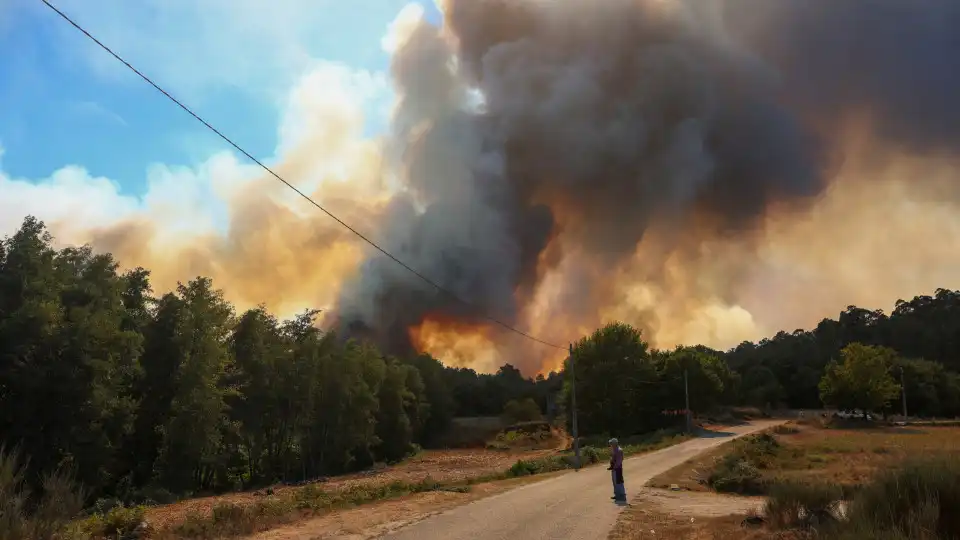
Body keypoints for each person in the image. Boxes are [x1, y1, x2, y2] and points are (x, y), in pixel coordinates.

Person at [608, 437, 626, 502]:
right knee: (615, 482)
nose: (610, 445)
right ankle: (617, 495)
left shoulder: (619, 450)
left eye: (611, 443)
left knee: (619, 482)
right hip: (614, 468)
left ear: (614, 444)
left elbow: (619, 461)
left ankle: (622, 495)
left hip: (617, 468)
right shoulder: (614, 450)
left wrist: (614, 467)